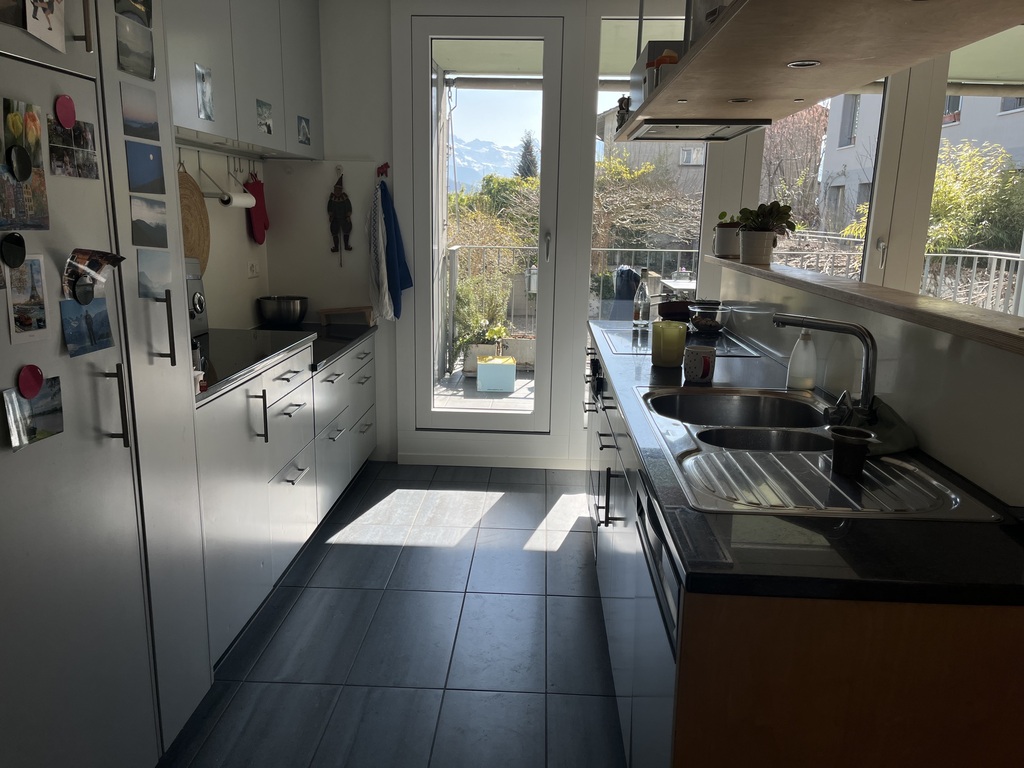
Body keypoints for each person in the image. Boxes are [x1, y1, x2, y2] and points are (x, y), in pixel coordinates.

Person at [327, 176, 353, 252]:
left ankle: (346, 245)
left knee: (347, 229)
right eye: (336, 190)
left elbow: (348, 207)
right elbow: (329, 207)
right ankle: (336, 247)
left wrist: (348, 215)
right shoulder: (332, 199)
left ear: (341, 190)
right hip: (335, 218)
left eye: (339, 190)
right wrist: (331, 215)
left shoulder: (345, 198)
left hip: (344, 217)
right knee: (334, 231)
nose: (337, 191)